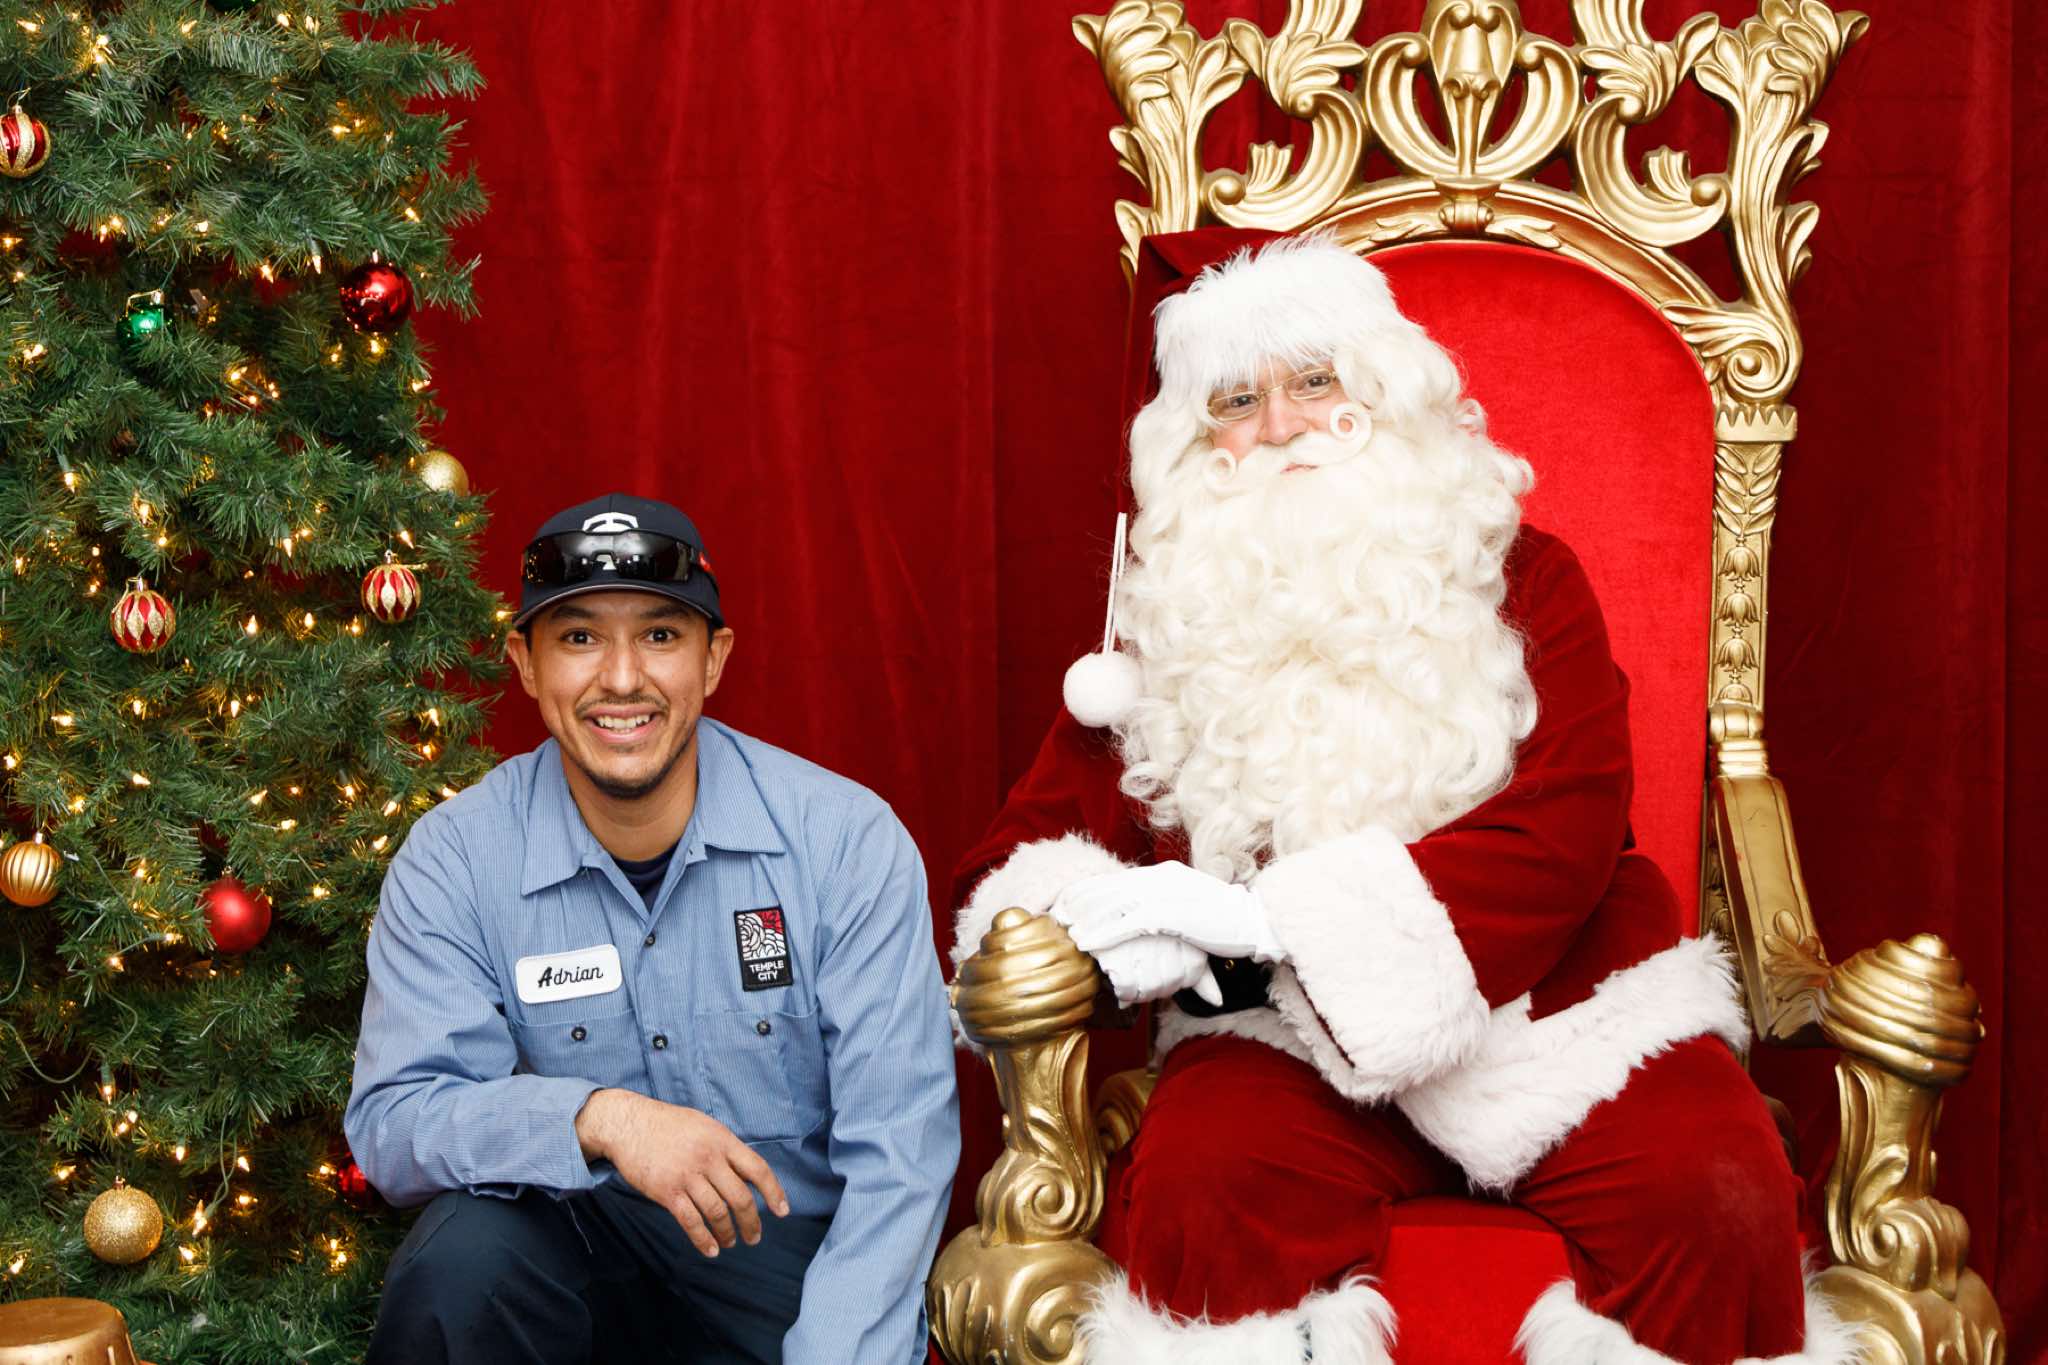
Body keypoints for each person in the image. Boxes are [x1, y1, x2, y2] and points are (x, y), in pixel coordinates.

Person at [950, 237, 1856, 1365]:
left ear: (1384, 389)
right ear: (1193, 439)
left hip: (1555, 1017)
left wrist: (1274, 922)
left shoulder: (1523, 577)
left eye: (1312, 380)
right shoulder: (1166, 617)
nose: (1281, 425)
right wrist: (1103, 931)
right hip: (1279, 1038)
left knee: (1715, 1187)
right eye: (1236, 400)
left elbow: (1567, 830)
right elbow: (1031, 851)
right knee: (1202, 1184)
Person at [346, 493, 958, 1364]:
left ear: (714, 659)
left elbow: (900, 1156)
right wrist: (601, 1118)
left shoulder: (845, 843)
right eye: (580, 637)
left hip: (787, 1278)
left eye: (661, 634)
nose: (623, 678)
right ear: (526, 664)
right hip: (573, 1265)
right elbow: (397, 1123)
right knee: (463, 1260)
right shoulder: (455, 860)